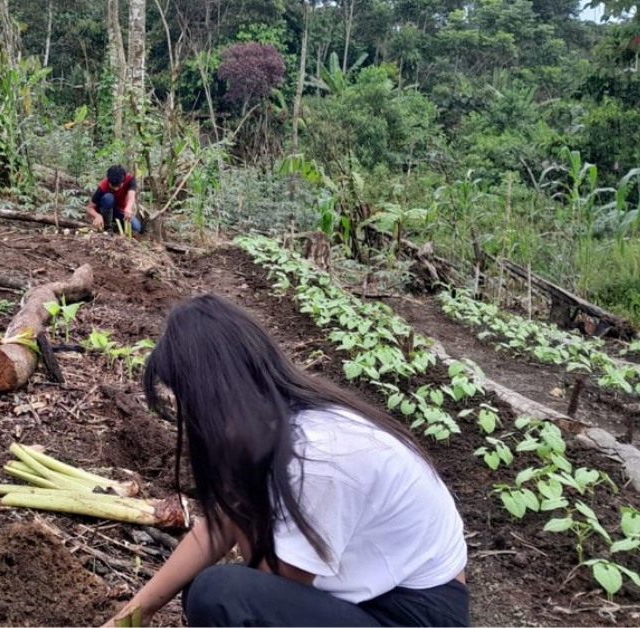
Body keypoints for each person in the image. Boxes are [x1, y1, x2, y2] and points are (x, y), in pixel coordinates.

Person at [103, 294, 469, 627]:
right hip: (373, 596)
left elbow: (263, 582)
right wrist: (132, 615)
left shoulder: (319, 456)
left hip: (414, 616)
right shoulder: (282, 422)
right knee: (209, 590)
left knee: (221, 596)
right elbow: (219, 526)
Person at [87, 165, 143, 234]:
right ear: (108, 180)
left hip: (119, 211)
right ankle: (107, 226)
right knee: (108, 197)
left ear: (124, 180)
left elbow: (131, 196)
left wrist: (128, 208)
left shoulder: (130, 179)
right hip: (104, 211)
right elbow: (89, 208)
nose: (116, 189)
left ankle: (117, 225)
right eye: (113, 186)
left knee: (137, 228)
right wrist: (97, 216)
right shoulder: (103, 186)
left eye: (119, 186)